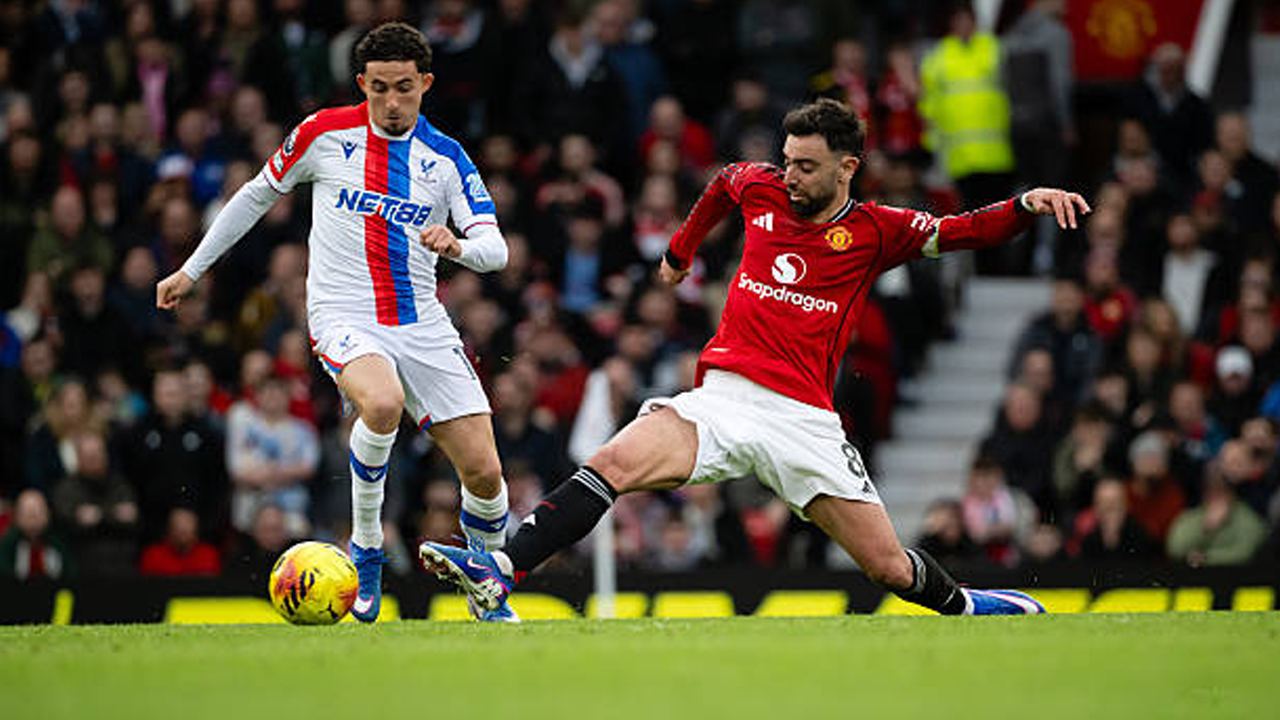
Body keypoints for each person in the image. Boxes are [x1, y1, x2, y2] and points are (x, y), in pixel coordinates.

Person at [422, 98, 1091, 617]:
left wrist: (1026, 204)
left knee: (888, 570)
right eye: (787, 159)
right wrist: (680, 253)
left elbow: (962, 230)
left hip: (803, 421)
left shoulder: (878, 231)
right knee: (612, 462)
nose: (789, 175)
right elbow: (722, 185)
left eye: (806, 165)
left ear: (847, 167)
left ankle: (971, 604)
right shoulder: (760, 187)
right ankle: (501, 569)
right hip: (722, 399)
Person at [155, 23, 514, 623]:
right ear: (361, 85)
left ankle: (488, 591)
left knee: (486, 471)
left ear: (425, 83)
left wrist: (455, 246)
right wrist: (192, 270)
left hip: (421, 320)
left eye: (404, 88)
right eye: (378, 89)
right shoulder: (324, 132)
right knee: (381, 403)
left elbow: (495, 249)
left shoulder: (446, 158)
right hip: (343, 312)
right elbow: (254, 195)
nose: (391, 102)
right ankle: (367, 546)